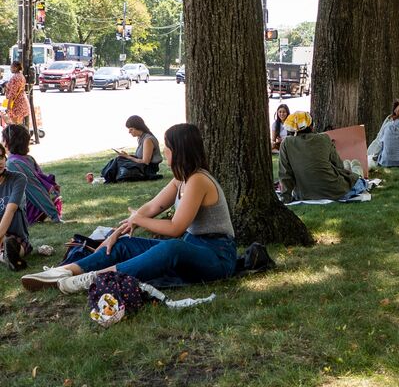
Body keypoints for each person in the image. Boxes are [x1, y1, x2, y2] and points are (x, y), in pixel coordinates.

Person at [21, 123, 237, 293]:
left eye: (167, 147)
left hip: (217, 256)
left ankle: (94, 278)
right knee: (124, 244)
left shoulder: (198, 179)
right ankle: (63, 271)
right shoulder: (181, 180)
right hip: (194, 248)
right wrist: (115, 234)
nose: (164, 151)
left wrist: (137, 219)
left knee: (171, 246)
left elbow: (175, 228)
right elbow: (152, 207)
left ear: (178, 151)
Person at [277, 111, 363, 200]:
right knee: (355, 169)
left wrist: (285, 197)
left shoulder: (286, 143)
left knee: (348, 166)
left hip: (305, 195)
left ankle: (352, 168)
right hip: (337, 192)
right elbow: (339, 165)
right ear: (311, 126)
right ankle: (356, 170)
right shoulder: (324, 138)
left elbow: (285, 174)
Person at [2, 123, 61, 224]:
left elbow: (35, 188)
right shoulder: (26, 159)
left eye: (3, 139)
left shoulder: (13, 163)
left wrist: (54, 215)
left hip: (28, 209)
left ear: (7, 142)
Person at [100, 116, 162, 183]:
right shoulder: (141, 138)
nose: (129, 132)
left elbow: (145, 162)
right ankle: (106, 177)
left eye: (131, 129)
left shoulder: (148, 140)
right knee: (119, 158)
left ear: (138, 127)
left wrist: (128, 157)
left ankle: (107, 177)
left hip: (148, 168)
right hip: (142, 166)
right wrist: (127, 156)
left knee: (119, 160)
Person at [0, 141, 31, 270]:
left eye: (1, 157)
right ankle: (6, 256)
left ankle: (8, 253)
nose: (0, 162)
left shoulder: (18, 179)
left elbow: (10, 210)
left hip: (15, 236)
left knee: (12, 244)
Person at [4, 61, 29, 126]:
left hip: (17, 104)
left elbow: (13, 93)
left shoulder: (16, 77)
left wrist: (8, 106)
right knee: (17, 125)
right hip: (21, 102)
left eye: (11, 67)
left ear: (16, 68)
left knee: (15, 126)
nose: (10, 69)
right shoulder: (21, 76)